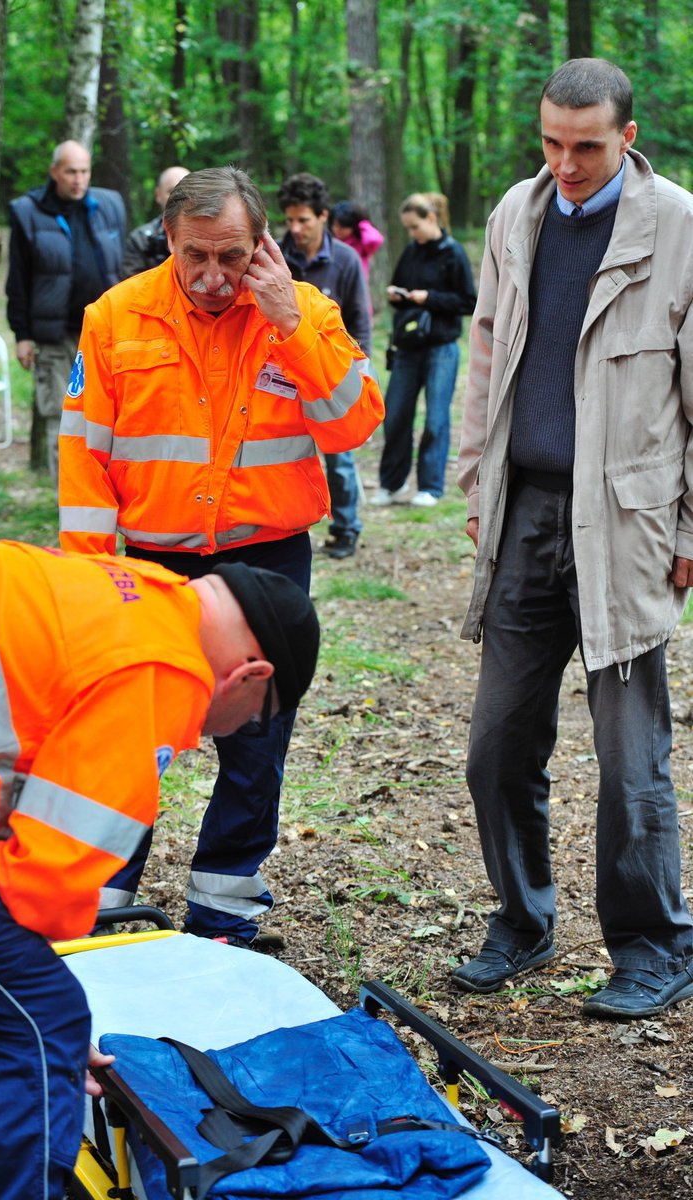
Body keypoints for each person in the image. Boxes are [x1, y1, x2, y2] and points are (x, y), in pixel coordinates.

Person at [0, 538, 319, 1199]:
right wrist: (45, 1023)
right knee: (31, 1025)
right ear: (252, 676)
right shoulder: (164, 668)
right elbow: (42, 887)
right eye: (244, 724)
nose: (214, 735)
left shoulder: (134, 590)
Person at [59, 165, 383, 946]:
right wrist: (93, 579)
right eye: (194, 255)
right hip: (149, 564)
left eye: (231, 257)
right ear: (167, 239)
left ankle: (227, 904)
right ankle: (103, 901)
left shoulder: (304, 312)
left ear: (261, 244)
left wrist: (290, 327)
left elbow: (354, 424)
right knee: (128, 736)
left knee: (258, 732)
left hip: (268, 560)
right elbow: (84, 460)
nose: (212, 277)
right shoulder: (116, 318)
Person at [456, 58, 693, 1019]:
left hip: (627, 519)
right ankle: (522, 919)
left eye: (587, 146)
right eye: (552, 143)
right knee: (496, 745)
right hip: (524, 511)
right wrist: (478, 477)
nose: (567, 163)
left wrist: (689, 527)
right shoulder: (517, 213)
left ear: (627, 137)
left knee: (629, 757)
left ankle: (653, 944)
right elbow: (486, 345)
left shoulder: (677, 224)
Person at [6, 140, 126, 482]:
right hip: (56, 335)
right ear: (54, 171)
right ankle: (71, 508)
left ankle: (104, 497)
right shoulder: (27, 211)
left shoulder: (109, 204)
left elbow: (124, 267)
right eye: (71, 171)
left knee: (110, 417)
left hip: (105, 332)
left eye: (84, 171)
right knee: (63, 419)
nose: (78, 179)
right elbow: (18, 278)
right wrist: (22, 335)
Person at [278, 172, 372, 560]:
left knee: (340, 457)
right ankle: (285, 525)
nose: (296, 228)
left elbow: (359, 319)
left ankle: (346, 527)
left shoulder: (345, 259)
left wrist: (359, 371)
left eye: (304, 220)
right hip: (282, 370)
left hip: (331, 370)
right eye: (290, 220)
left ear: (323, 217)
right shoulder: (276, 256)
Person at [371, 192, 476, 508]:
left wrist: (427, 297)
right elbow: (398, 284)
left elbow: (468, 302)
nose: (411, 234)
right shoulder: (411, 251)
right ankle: (392, 483)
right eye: (408, 228)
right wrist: (397, 295)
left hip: (441, 348)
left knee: (436, 419)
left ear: (431, 219)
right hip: (408, 347)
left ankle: (430, 486)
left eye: (415, 226)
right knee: (396, 416)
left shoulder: (453, 253)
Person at [121, 164, 190, 277]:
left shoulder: (210, 234)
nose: (179, 198)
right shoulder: (141, 240)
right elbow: (132, 288)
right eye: (172, 191)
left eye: (186, 191)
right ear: (158, 195)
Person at [329, 199, 385, 288]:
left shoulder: (361, 244)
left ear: (353, 225)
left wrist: (363, 223)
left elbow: (375, 239)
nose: (336, 229)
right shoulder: (330, 243)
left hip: (356, 290)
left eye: (342, 226)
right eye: (334, 225)